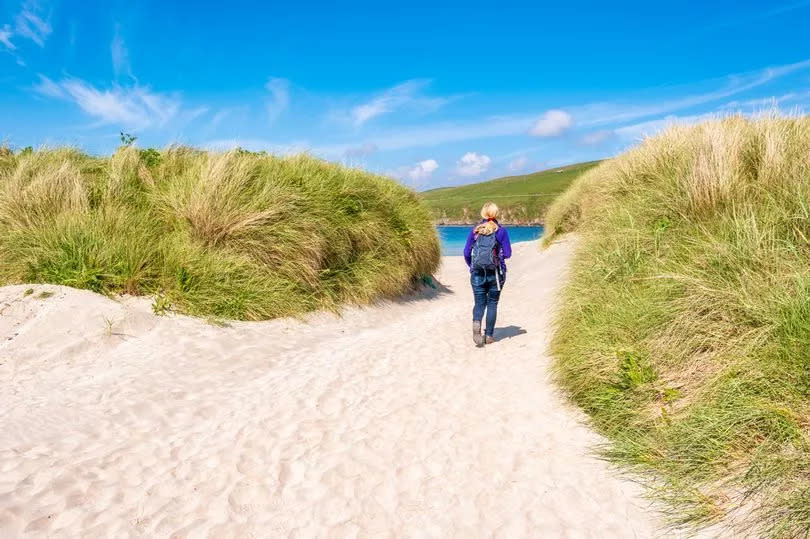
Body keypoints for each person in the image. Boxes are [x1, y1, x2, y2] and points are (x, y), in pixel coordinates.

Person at [463, 202, 512, 346]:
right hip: (495, 274)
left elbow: (466, 253)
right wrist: (499, 257)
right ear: (496, 214)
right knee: (492, 303)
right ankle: (489, 335)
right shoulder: (501, 231)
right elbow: (508, 253)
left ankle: (477, 323)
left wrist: (472, 266)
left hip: (477, 273)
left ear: (483, 214)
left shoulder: (475, 231)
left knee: (479, 303)